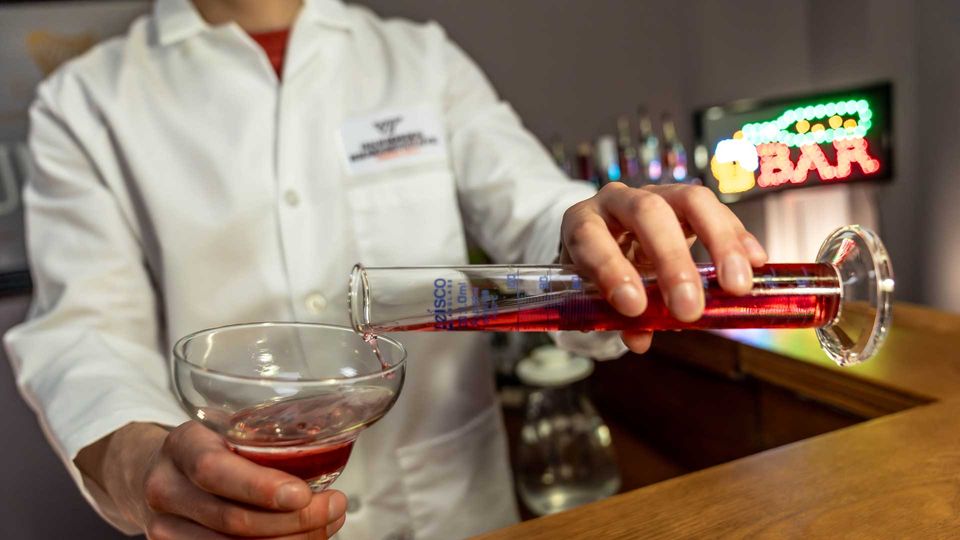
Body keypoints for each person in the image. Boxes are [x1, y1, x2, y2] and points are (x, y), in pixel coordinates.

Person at [4, 0, 767, 539]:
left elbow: (531, 204)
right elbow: (85, 334)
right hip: (232, 517)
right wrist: (145, 470)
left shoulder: (419, 59)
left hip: (455, 514)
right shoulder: (86, 102)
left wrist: (589, 243)